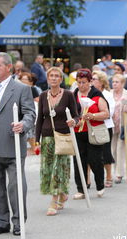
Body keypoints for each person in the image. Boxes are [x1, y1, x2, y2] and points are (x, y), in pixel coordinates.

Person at [0, 52, 36, 236]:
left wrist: (23, 124)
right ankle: (1, 222)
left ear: (8, 68)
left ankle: (19, 223)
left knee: (16, 188)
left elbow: (30, 114)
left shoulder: (21, 89)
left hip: (13, 146)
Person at [35, 67, 79, 216]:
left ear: (61, 79)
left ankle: (53, 201)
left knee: (58, 169)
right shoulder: (42, 96)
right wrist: (36, 140)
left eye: (56, 76)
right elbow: (39, 119)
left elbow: (76, 115)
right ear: (47, 79)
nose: (53, 78)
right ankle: (61, 194)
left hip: (63, 137)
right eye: (51, 76)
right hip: (47, 138)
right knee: (47, 170)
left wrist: (74, 121)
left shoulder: (68, 95)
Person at [72, 69, 109, 199]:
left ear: (90, 82)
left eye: (84, 82)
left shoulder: (96, 94)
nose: (81, 85)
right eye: (79, 82)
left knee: (95, 160)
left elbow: (106, 113)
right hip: (78, 132)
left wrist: (92, 115)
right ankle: (81, 189)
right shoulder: (74, 94)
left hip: (93, 131)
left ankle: (100, 185)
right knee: (78, 161)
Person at [111, 74, 127, 184]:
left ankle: (119, 174)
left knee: (120, 149)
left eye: (117, 82)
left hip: (123, 125)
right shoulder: (109, 94)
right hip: (111, 126)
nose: (114, 84)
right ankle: (113, 170)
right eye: (113, 82)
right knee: (112, 150)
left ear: (122, 84)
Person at [92, 70, 115, 188]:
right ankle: (89, 178)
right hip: (92, 125)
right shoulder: (90, 93)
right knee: (92, 152)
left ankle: (109, 176)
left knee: (105, 152)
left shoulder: (108, 94)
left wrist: (96, 114)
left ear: (101, 82)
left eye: (94, 79)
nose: (92, 81)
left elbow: (110, 112)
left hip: (105, 125)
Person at [19, 72, 40, 155]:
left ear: (30, 82)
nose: (23, 81)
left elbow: (38, 100)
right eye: (22, 79)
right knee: (28, 133)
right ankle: (34, 148)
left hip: (31, 113)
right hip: (22, 113)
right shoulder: (19, 89)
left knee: (31, 133)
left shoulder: (32, 89)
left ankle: (35, 149)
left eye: (25, 79)